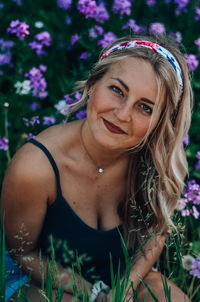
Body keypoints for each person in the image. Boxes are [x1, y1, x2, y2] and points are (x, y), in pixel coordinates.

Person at [1, 34, 192, 302]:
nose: (123, 114)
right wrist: (92, 294)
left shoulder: (156, 161)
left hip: (120, 275)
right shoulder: (35, 167)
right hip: (40, 278)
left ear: (158, 123)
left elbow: (155, 235)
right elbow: (23, 253)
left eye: (145, 108)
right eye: (117, 90)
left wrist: (122, 290)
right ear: (93, 83)